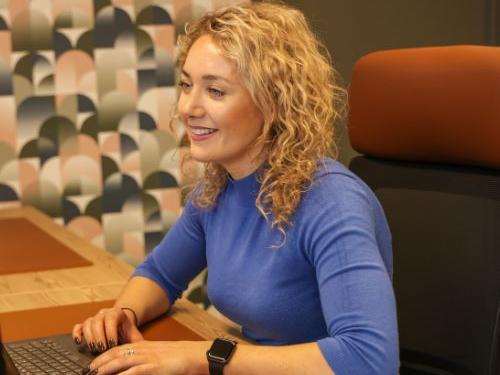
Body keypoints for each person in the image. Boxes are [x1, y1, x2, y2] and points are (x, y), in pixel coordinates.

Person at [73, 2, 399, 375]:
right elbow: (160, 275)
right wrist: (122, 314)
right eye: (186, 85)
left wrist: (202, 357)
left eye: (215, 91)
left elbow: (370, 360)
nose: (188, 108)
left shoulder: (332, 202)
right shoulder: (217, 189)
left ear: (273, 102)